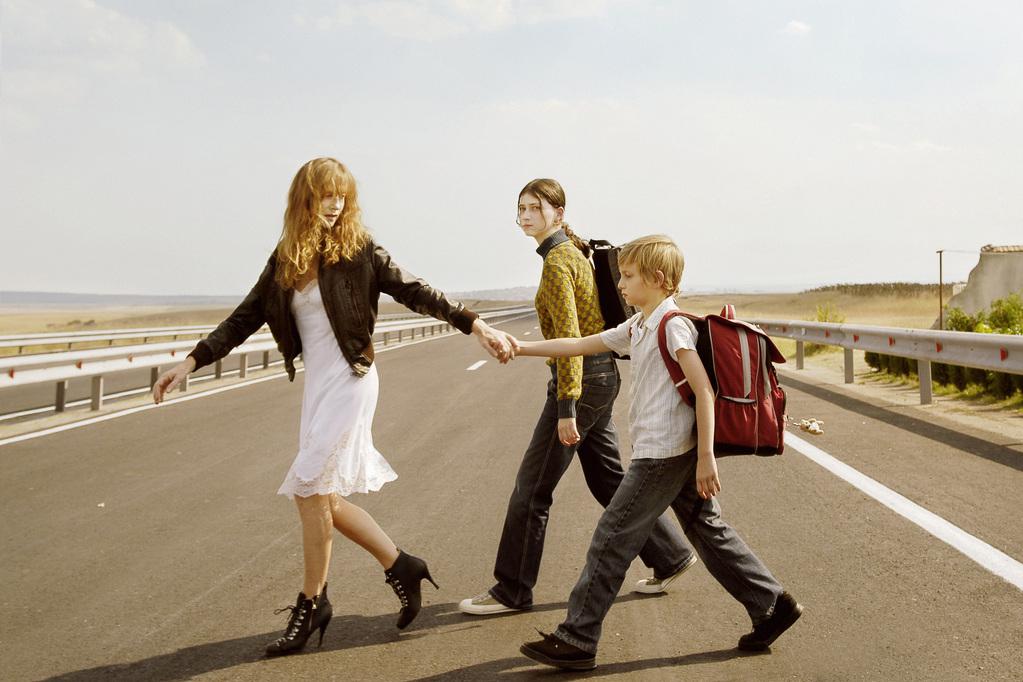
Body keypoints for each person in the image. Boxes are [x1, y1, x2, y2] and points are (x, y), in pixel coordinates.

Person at [151, 157, 513, 656]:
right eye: (325, 194)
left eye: (342, 195)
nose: (335, 203)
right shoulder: (286, 258)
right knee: (322, 498)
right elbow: (243, 318)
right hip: (318, 388)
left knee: (309, 488)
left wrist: (477, 325)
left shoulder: (360, 250)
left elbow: (416, 290)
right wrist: (190, 361)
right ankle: (401, 565)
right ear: (305, 198)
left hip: (352, 379)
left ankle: (312, 602)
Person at [511, 234, 802, 671]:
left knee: (612, 537)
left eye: (629, 276)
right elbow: (579, 344)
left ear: (659, 279)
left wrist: (706, 457)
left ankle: (578, 636)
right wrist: (519, 347)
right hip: (670, 450)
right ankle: (771, 604)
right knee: (707, 530)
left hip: (664, 454)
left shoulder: (672, 326)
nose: (620, 284)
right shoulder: (639, 325)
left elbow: (703, 392)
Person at [459, 181, 695, 617]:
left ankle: (512, 589)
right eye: (521, 208)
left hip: (582, 382)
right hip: (599, 378)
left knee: (532, 490)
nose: (525, 215)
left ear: (559, 213)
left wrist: (566, 405)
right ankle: (670, 556)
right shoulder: (570, 253)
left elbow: (570, 336)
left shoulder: (558, 262)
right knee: (608, 479)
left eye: (536, 208)